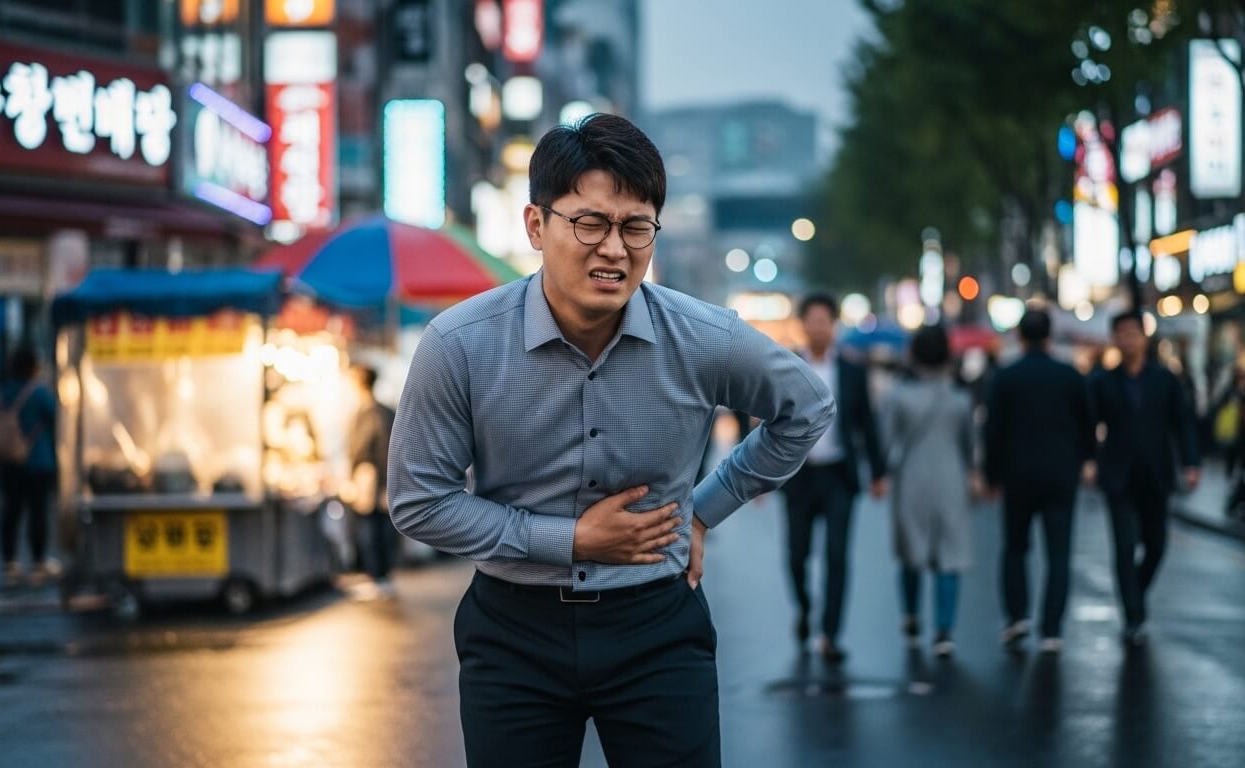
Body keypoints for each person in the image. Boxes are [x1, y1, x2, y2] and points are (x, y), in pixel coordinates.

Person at [387, 114, 833, 768]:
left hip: (656, 625)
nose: (615, 250)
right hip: (514, 633)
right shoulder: (460, 345)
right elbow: (417, 500)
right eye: (590, 223)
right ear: (536, 225)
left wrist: (704, 509)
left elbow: (807, 404)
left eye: (635, 227)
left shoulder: (702, 337)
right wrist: (566, 541)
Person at [782, 293, 888, 663]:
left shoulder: (852, 370)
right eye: (811, 321)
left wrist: (878, 472)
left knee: (837, 556)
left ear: (833, 325)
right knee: (797, 555)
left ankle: (830, 633)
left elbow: (866, 423)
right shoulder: (787, 366)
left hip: (839, 476)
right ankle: (805, 608)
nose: (817, 328)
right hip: (799, 477)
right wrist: (758, 480)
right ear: (803, 324)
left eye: (823, 321)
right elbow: (769, 418)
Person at [983, 309, 1094, 654]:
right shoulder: (1070, 375)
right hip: (1061, 475)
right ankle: (1052, 629)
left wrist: (991, 475)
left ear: (1019, 337)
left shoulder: (1005, 376)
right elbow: (1087, 424)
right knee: (1058, 553)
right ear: (1049, 337)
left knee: (1015, 548)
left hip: (1017, 475)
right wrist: (1086, 461)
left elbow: (993, 430)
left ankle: (1017, 617)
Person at [1089, 311, 1199, 646]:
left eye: (1133, 333)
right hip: (1117, 475)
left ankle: (1135, 590)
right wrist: (1090, 460)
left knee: (1157, 544)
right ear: (1114, 339)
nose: (1128, 339)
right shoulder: (1101, 381)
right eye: (1121, 333)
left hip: (1156, 472)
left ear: (1144, 337)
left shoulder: (1165, 380)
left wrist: (1191, 463)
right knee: (1123, 546)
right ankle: (1133, 615)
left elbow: (1182, 423)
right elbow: (1088, 425)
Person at [882, 325, 974, 658]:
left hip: (910, 480)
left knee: (911, 550)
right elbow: (971, 447)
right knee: (949, 554)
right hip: (951, 480)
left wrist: (882, 474)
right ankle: (944, 630)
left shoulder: (898, 396)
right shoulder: (960, 398)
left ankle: (911, 616)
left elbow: (886, 442)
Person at [0, 344, 58, 587]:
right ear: (34, 366)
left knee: (11, 510)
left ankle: (10, 563)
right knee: (37, 511)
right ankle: (39, 560)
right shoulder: (39, 392)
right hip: (37, 460)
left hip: (9, 461)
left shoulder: (5, 391)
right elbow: (55, 416)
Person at [348, 364, 397, 583]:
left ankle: (379, 576)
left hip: (373, 479)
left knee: (372, 528)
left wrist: (386, 483)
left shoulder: (374, 413)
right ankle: (379, 576)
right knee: (375, 527)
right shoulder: (375, 411)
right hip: (374, 479)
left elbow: (382, 448)